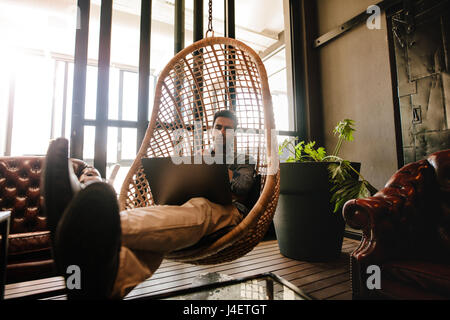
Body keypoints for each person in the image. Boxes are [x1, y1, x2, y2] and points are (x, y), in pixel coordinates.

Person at [42, 110, 257, 299]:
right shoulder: (199, 155)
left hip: (230, 213)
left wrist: (216, 163)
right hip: (189, 206)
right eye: (217, 127)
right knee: (161, 226)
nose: (221, 132)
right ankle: (100, 285)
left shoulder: (244, 159)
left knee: (198, 209)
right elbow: (186, 184)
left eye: (227, 129)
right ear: (211, 130)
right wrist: (194, 168)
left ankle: (87, 226)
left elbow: (242, 187)